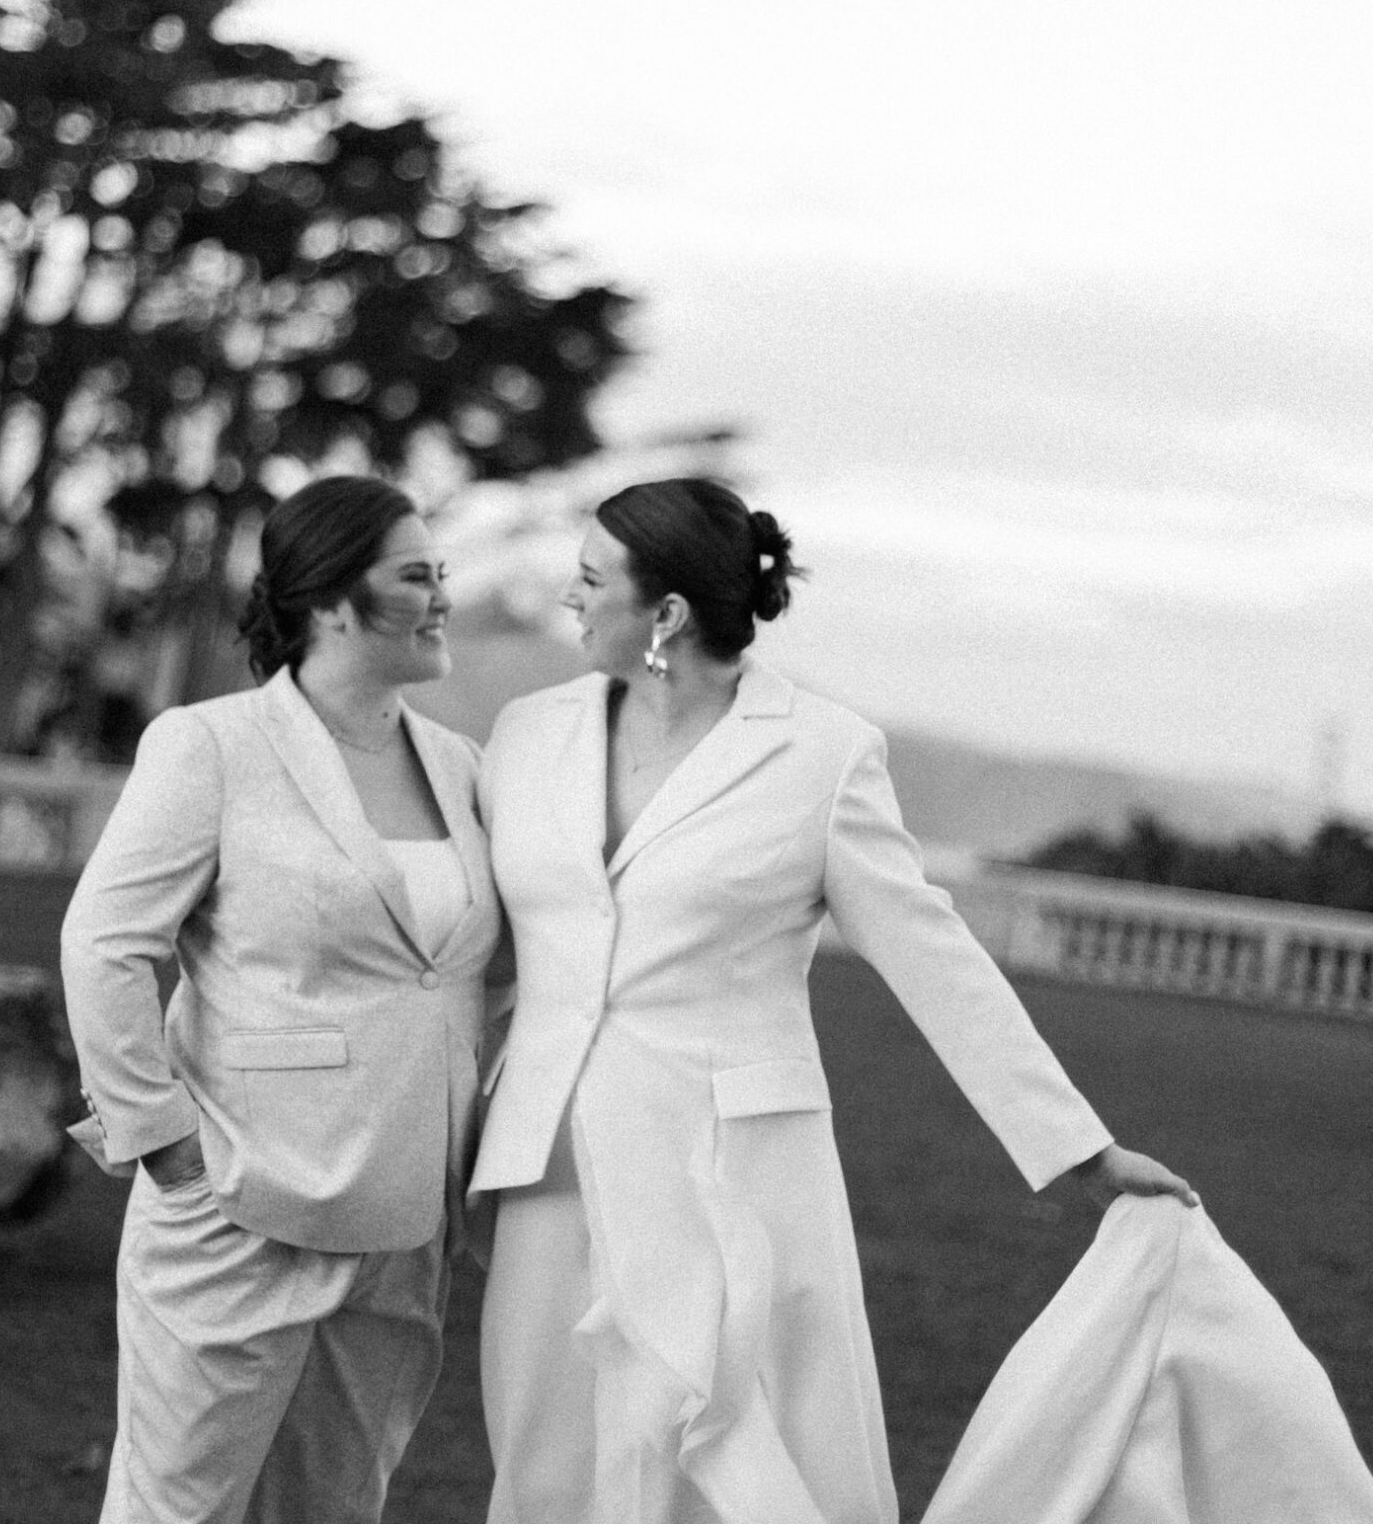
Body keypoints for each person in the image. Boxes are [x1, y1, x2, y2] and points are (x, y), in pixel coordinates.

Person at [474, 477, 1195, 1524]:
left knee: (725, 1463)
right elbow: (477, 948)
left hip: (725, 1175)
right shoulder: (527, 733)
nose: (568, 599)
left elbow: (932, 957)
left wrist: (1080, 1150)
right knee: (546, 1458)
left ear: (665, 612)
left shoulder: (821, 754)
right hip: (546, 1167)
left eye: (589, 580)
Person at [60, 476, 500, 1524]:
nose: (443, 596)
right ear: (332, 601)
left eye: (441, 572)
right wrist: (163, 1143)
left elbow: (490, 966)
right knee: (180, 1507)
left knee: (335, 1506)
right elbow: (104, 942)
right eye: (416, 575)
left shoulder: (465, 767)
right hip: (239, 1199)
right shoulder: (211, 746)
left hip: (407, 1221)